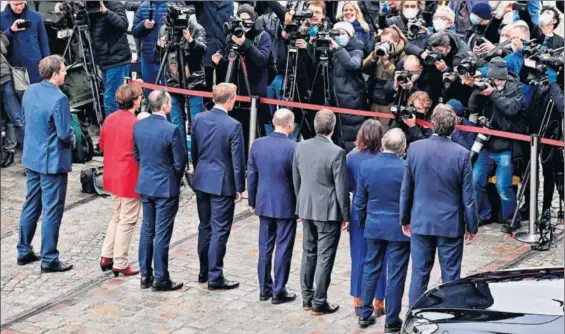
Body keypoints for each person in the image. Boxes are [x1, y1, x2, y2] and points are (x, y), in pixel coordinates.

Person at [400, 104, 478, 306]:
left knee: (419, 274)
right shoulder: (461, 154)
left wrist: (405, 219)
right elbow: (468, 196)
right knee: (451, 276)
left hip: (422, 221)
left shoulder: (415, 148)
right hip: (449, 224)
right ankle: (450, 316)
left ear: (432, 124)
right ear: (453, 127)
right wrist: (472, 226)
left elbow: (406, 188)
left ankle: (414, 315)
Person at [17, 55, 75, 273]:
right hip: (51, 161)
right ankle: (50, 258)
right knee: (52, 209)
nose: (66, 72)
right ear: (55, 74)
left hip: (32, 156)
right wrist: (74, 140)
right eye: (63, 70)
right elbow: (64, 134)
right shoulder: (59, 99)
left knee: (31, 204)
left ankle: (24, 250)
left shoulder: (30, 91)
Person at [293, 109, 349, 315]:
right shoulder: (336, 152)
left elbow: (296, 178)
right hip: (328, 211)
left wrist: (299, 204)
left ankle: (307, 297)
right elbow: (341, 188)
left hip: (307, 206)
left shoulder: (301, 147)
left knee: (309, 253)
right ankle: (318, 301)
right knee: (325, 257)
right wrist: (345, 215)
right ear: (332, 128)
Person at [191, 83, 245, 291]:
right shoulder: (233, 125)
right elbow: (237, 160)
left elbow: (194, 150)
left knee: (205, 226)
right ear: (231, 100)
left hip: (202, 177)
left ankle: (204, 270)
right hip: (222, 182)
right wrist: (239, 187)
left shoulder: (198, 119)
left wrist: (198, 170)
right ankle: (215, 275)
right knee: (219, 230)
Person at [355, 128, 410, 333]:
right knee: (396, 273)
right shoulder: (406, 168)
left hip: (374, 224)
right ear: (403, 148)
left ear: (383, 144)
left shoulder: (367, 166)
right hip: (398, 228)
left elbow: (359, 201)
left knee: (371, 268)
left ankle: (365, 313)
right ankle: (392, 320)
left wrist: (363, 222)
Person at [134, 89, 186, 291]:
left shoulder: (139, 126)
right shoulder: (171, 129)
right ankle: (161, 277)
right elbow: (179, 162)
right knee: (162, 233)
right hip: (165, 186)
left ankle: (145, 274)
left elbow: (137, 155)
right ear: (164, 106)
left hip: (146, 183)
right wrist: (172, 177)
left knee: (147, 230)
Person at [248, 108, 297, 305]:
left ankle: (264, 288)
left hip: (264, 202)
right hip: (286, 204)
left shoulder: (258, 144)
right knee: (283, 248)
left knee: (265, 248)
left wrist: (252, 201)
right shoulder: (293, 148)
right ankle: (279, 289)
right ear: (290, 125)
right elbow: (297, 180)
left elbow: (252, 175)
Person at [469, 57, 524, 230]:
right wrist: (477, 91)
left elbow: (511, 109)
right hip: (487, 143)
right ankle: (483, 214)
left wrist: (493, 93)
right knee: (475, 180)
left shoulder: (515, 87)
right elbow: (472, 108)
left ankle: (511, 218)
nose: (498, 82)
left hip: (506, 146)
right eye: (495, 79)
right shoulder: (488, 83)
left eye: (501, 79)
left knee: (503, 186)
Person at [99, 83, 143, 277]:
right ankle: (120, 261)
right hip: (128, 177)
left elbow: (102, 144)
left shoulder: (110, 118)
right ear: (134, 101)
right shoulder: (135, 124)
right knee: (128, 220)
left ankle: (107, 255)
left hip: (112, 174)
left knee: (117, 216)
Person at [346, 120, 386, 317]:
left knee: (359, 257)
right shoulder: (385, 159)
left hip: (358, 212)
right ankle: (379, 300)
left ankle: (358, 299)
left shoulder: (351, 159)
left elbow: (348, 186)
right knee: (381, 257)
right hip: (381, 211)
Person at [156, 14, 207, 145]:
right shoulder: (164, 29)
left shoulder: (197, 28)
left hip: (194, 82)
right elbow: (157, 58)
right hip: (173, 81)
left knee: (196, 123)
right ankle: (180, 158)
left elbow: (203, 50)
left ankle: (197, 158)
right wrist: (159, 46)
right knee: (176, 123)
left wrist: (190, 40)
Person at [86, 1, 132, 118]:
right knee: (110, 98)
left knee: (111, 99)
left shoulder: (114, 4)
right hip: (104, 61)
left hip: (117, 60)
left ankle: (114, 131)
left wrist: (106, 12)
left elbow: (123, 25)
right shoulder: (89, 6)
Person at [363, 26, 407, 124]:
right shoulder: (379, 51)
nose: (384, 45)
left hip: (390, 100)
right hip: (374, 97)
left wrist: (386, 62)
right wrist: (374, 55)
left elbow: (399, 77)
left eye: (387, 42)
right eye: (382, 42)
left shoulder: (403, 55)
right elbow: (364, 67)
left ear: (396, 41)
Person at [0, 0, 50, 84]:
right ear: (9, 2)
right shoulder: (1, 18)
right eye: (16, 4)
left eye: (22, 3)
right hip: (12, 70)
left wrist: (48, 65)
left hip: (35, 68)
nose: (19, 7)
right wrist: (10, 31)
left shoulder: (36, 16)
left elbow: (44, 43)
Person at [0, 30, 23, 167]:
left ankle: (14, 152)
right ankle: (3, 154)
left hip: (5, 79)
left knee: (16, 118)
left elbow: (3, 46)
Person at [132, 1, 169, 86]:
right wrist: (143, 25)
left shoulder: (174, 4)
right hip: (148, 58)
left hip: (167, 59)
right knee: (149, 93)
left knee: (167, 93)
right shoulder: (143, 6)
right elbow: (134, 32)